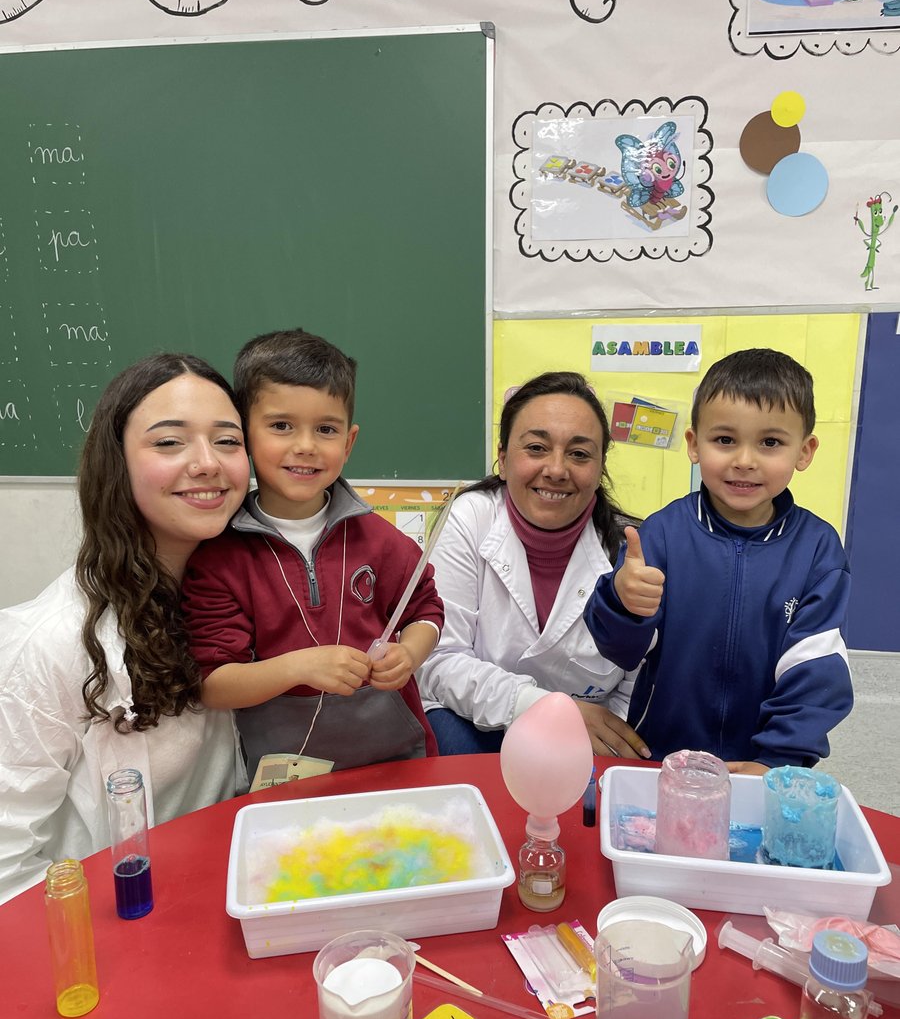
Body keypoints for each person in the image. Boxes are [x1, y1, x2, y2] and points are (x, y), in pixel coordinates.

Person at [0, 354, 251, 903]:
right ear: (117, 464)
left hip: (222, 889)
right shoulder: (51, 641)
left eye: (228, 441)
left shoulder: (242, 597)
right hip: (113, 927)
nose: (208, 463)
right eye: (169, 443)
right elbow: (7, 866)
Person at [180, 327, 443, 781]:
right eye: (281, 426)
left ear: (349, 441)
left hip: (395, 764)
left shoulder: (380, 540)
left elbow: (426, 610)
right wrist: (299, 667)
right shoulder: (218, 557)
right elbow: (213, 683)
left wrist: (412, 654)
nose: (305, 445)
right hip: (279, 778)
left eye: (326, 429)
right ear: (243, 433)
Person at [583, 348, 853, 774]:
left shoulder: (817, 549)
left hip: (760, 766)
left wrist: (777, 760)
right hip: (661, 759)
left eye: (770, 442)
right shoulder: (662, 533)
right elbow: (620, 650)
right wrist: (622, 602)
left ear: (804, 451)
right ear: (694, 444)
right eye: (725, 440)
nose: (744, 460)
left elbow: (816, 670)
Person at [417, 370, 648, 760]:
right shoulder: (470, 518)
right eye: (537, 448)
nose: (556, 470)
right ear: (504, 460)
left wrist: (591, 737)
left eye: (578, 453)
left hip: (590, 733)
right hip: (477, 723)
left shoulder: (634, 546)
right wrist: (548, 711)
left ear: (600, 467)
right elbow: (439, 660)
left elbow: (637, 683)